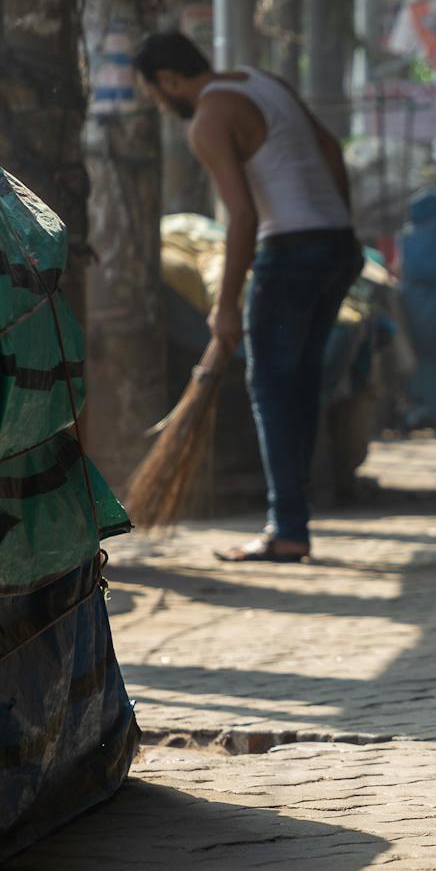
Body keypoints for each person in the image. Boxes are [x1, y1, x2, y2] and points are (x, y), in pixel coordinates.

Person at [135, 31, 357, 563]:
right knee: (298, 385)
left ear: (168, 80)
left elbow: (243, 215)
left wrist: (226, 303)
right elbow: (330, 148)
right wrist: (337, 223)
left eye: (155, 94)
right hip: (337, 248)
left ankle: (286, 528)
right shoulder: (263, 82)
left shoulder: (208, 120)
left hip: (290, 251)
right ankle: (295, 518)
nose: (161, 105)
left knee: (272, 390)